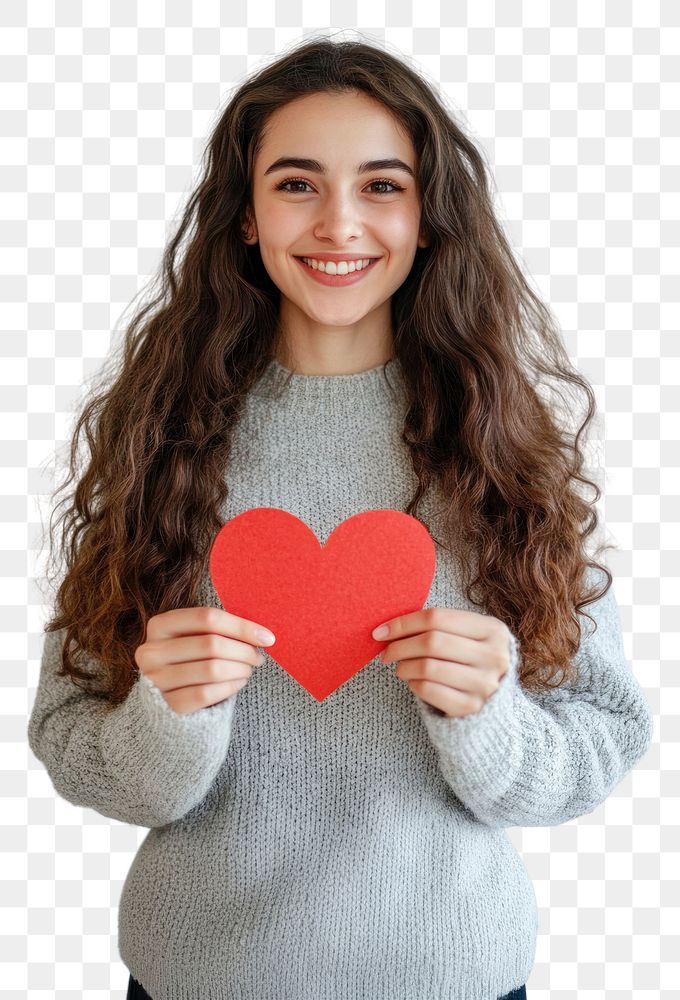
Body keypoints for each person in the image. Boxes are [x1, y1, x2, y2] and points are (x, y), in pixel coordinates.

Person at [27, 34, 653, 1000]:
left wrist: (488, 716)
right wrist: (168, 717)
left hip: (456, 980)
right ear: (243, 215)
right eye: (296, 184)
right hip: (199, 980)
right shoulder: (160, 439)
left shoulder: (504, 450)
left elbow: (601, 740)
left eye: (383, 186)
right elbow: (70, 741)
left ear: (430, 218)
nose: (340, 224)